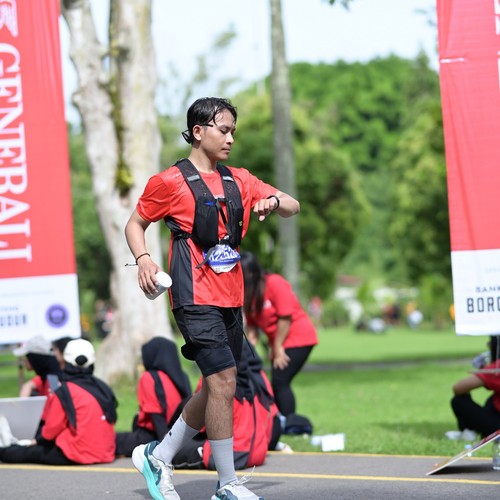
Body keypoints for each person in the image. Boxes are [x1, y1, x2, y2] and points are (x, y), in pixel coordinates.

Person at [124, 96, 300, 500]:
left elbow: (293, 205)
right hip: (193, 297)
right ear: (198, 131)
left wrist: (273, 202)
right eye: (224, 130)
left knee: (215, 385)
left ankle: (159, 456)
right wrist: (144, 259)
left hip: (230, 299)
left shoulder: (240, 179)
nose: (231, 138)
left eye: (233, 130)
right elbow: (135, 224)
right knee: (223, 380)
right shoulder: (169, 182)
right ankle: (227, 484)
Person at [0, 338, 117, 465]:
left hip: (78, 453)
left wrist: (37, 441)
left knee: (26, 452)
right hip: (106, 452)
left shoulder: (62, 388)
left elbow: (52, 428)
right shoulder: (102, 387)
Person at [171, 342, 282, 471]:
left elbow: (199, 423)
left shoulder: (217, 379)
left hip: (232, 454)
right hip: (258, 451)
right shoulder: (258, 380)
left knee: (172, 450)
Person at [240, 251, 318, 419]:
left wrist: (277, 347)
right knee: (277, 382)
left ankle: (289, 422)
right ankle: (279, 420)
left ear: (251, 273)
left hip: (298, 337)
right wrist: (249, 349)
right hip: (280, 341)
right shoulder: (249, 293)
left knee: (280, 380)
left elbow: (285, 317)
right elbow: (252, 325)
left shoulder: (274, 283)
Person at [115, 337, 192, 457]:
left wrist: (165, 445)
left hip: (156, 435)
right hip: (180, 434)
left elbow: (156, 414)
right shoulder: (182, 376)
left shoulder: (149, 377)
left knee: (115, 440)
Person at [448, 336, 500, 440]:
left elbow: (458, 388)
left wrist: (487, 368)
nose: (488, 345)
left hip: (497, 427)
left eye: (490, 342)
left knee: (459, 401)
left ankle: (469, 431)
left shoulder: (497, 368)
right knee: (493, 399)